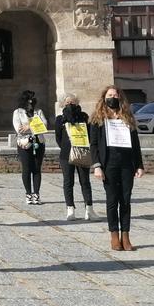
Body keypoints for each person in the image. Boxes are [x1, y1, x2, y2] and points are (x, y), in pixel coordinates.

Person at [90, 85, 145, 252]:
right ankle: (114, 235)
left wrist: (139, 164)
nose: (112, 98)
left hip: (127, 164)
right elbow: (93, 145)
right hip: (109, 165)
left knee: (126, 201)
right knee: (112, 200)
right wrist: (97, 166)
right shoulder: (97, 119)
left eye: (115, 95)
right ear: (104, 98)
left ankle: (126, 235)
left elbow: (135, 144)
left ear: (120, 98)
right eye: (109, 95)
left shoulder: (127, 118)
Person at [54, 93, 95, 221]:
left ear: (77, 103)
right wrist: (67, 147)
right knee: (68, 182)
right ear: (63, 104)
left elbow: (90, 134)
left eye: (72, 102)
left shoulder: (84, 117)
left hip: (82, 151)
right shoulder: (60, 119)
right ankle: (70, 209)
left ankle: (89, 209)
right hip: (66, 155)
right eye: (67, 103)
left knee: (85, 181)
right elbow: (58, 138)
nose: (70, 105)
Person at [12, 90, 47, 205]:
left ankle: (36, 193)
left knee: (37, 168)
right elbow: (19, 129)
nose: (31, 102)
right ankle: (28, 193)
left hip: (39, 143)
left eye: (32, 100)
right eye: (29, 100)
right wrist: (34, 126)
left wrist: (29, 126)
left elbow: (44, 126)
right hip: (25, 144)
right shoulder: (17, 113)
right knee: (26, 169)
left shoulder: (38, 112)